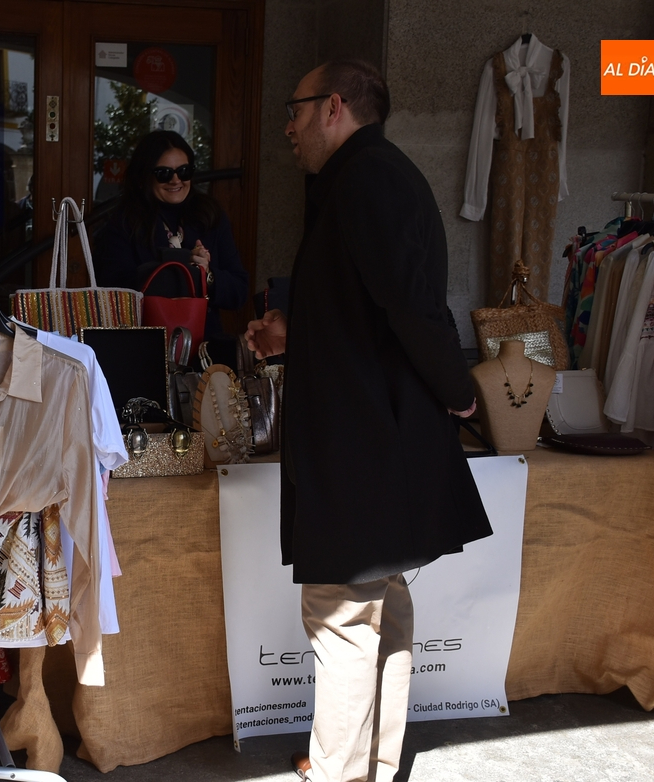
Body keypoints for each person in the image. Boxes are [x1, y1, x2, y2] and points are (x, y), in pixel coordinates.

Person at [245, 60, 493, 782]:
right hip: (370, 440)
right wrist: (295, 330)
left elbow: (414, 309)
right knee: (380, 606)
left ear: (333, 107)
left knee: (342, 617)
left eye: (294, 110)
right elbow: (368, 310)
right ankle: (371, 764)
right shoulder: (362, 177)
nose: (287, 127)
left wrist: (461, 393)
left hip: (362, 445)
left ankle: (342, 773)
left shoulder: (368, 180)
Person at [94, 130, 248, 342]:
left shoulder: (210, 216)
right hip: (144, 346)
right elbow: (112, 298)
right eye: (164, 173)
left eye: (184, 171)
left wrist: (208, 275)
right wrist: (174, 270)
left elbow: (239, 292)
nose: (176, 180)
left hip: (203, 346)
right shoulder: (123, 224)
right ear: (143, 177)